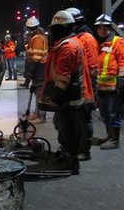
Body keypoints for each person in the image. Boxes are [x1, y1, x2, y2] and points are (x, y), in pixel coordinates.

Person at [38, 10, 95, 174]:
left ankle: (70, 160)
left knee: (67, 128)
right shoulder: (68, 43)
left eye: (56, 28)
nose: (53, 32)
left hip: (70, 96)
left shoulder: (68, 47)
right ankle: (67, 154)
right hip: (72, 94)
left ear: (65, 28)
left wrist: (55, 97)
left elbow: (64, 77)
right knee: (64, 126)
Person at [67, 7, 99, 160]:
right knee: (74, 119)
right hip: (76, 86)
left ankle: (84, 151)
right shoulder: (78, 37)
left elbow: (92, 66)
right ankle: (74, 147)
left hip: (84, 86)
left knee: (84, 119)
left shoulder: (87, 38)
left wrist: (90, 87)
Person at [91, 13, 124, 149]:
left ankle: (114, 140)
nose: (102, 30)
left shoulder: (118, 42)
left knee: (113, 113)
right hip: (102, 87)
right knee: (104, 113)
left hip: (114, 87)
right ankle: (109, 136)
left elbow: (122, 62)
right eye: (100, 27)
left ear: (110, 28)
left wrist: (121, 81)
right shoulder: (101, 44)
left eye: (105, 27)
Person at [22, 16, 49, 124]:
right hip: (40, 66)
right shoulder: (39, 36)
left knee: (39, 92)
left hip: (39, 67)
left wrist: (31, 70)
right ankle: (37, 113)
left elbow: (37, 56)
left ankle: (41, 116)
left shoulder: (37, 38)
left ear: (30, 28)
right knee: (37, 91)